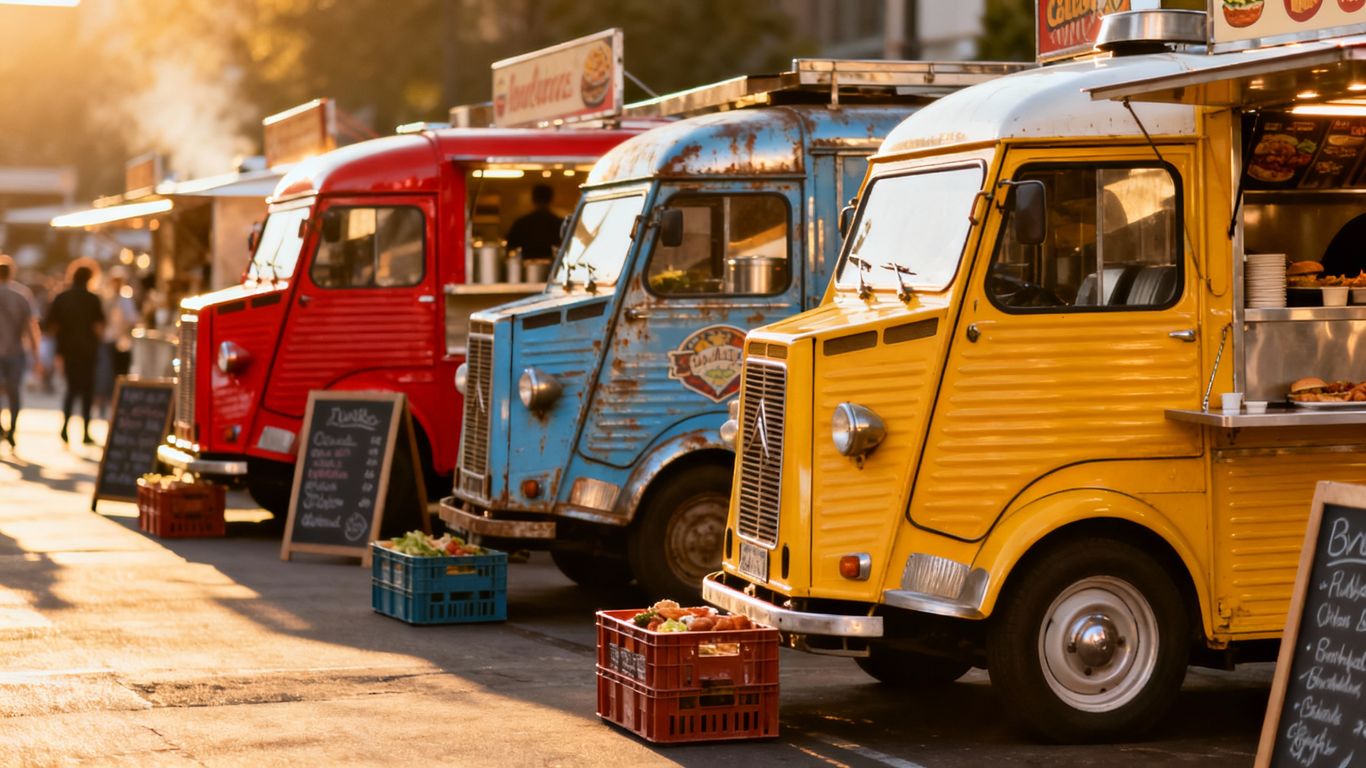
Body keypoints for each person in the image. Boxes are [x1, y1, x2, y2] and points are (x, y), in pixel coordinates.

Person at [44, 260, 104, 445]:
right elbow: (99, 327)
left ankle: (65, 428)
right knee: (87, 390)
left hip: (68, 350)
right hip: (88, 350)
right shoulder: (93, 299)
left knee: (71, 389)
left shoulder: (62, 297)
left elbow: (51, 325)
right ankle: (85, 432)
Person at [0, 254, 42, 448]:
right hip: (16, 350)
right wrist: (36, 354)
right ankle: (13, 428)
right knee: (14, 391)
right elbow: (31, 327)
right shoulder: (21, 295)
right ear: (11, 273)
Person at [95, 269, 138, 418]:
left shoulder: (126, 300)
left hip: (121, 342)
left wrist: (125, 333)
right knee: (105, 373)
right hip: (107, 340)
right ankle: (102, 403)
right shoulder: (107, 298)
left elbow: (132, 320)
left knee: (118, 374)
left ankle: (116, 405)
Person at [504, 184, 563, 262]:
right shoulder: (559, 223)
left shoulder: (522, 222)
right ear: (551, 199)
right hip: (552, 265)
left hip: (527, 264)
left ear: (533, 199)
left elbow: (510, 245)